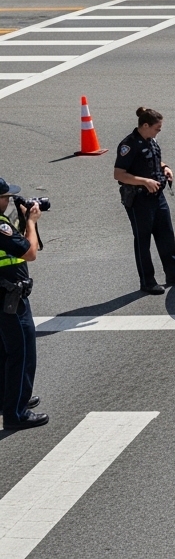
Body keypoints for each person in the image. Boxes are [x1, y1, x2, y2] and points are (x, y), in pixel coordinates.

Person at [113, 107, 175, 296]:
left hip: (157, 196)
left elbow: (152, 160)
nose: (159, 131)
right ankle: (147, 281)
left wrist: (165, 167)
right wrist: (144, 181)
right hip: (139, 199)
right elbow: (119, 174)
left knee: (166, 234)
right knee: (143, 240)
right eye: (157, 128)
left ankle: (174, 273)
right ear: (145, 125)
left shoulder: (151, 141)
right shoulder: (129, 145)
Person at [0, 177, 45, 430]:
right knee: (22, 354)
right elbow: (30, 252)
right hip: (10, 300)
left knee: (5, 353)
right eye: (5, 197)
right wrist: (30, 222)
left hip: (3, 297)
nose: (7, 201)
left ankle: (8, 399)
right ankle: (16, 412)